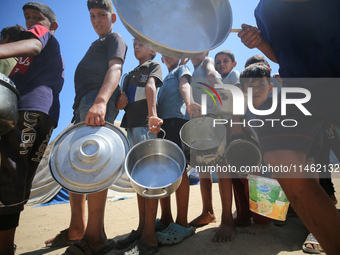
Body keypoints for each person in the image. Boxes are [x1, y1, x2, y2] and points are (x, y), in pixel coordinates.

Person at [238, 0, 340, 254]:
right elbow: (280, 53)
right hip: (301, 88)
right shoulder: (262, 10)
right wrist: (260, 43)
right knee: (279, 155)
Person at [45, 1, 127, 254]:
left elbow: (116, 67)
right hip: (83, 103)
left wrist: (102, 101)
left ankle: (95, 237)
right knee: (76, 165)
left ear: (112, 16)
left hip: (95, 100)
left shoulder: (114, 38)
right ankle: (77, 227)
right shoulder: (97, 43)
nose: (96, 20)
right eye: (92, 16)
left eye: (101, 15)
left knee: (93, 163)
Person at [0, 2, 64, 255]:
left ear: (52, 25)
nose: (31, 23)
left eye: (37, 18)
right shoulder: (31, 57)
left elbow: (35, 43)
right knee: (18, 178)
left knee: (9, 174)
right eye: (27, 18)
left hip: (28, 108)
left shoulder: (42, 36)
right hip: (43, 113)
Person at [114, 38, 163, 255]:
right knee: (137, 179)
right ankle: (142, 227)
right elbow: (121, 102)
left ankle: (150, 234)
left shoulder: (153, 66)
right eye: (134, 44)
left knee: (149, 177)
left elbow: (151, 86)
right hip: (131, 127)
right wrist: (119, 105)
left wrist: (153, 114)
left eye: (141, 43)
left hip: (146, 125)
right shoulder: (128, 74)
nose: (136, 46)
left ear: (153, 49)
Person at [189, 52, 236, 242]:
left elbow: (212, 75)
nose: (194, 53)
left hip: (215, 121)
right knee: (202, 168)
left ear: (206, 51)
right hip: (201, 124)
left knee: (222, 167)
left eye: (198, 49)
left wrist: (222, 91)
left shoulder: (207, 62)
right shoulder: (193, 70)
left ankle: (227, 219)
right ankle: (207, 212)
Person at [154, 55, 201, 245]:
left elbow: (184, 86)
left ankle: (183, 223)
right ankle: (166, 218)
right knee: (164, 172)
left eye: (172, 50)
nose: (167, 55)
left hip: (176, 122)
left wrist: (189, 103)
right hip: (163, 126)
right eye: (164, 52)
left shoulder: (183, 69)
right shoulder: (164, 78)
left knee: (179, 170)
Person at [232, 63, 275, 234]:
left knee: (263, 221)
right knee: (231, 164)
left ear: (270, 88)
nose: (255, 90)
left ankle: (271, 213)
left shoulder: (277, 109)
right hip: (256, 163)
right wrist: (237, 119)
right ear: (243, 89)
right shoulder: (244, 109)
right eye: (250, 86)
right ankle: (243, 213)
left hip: (275, 169)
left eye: (260, 85)